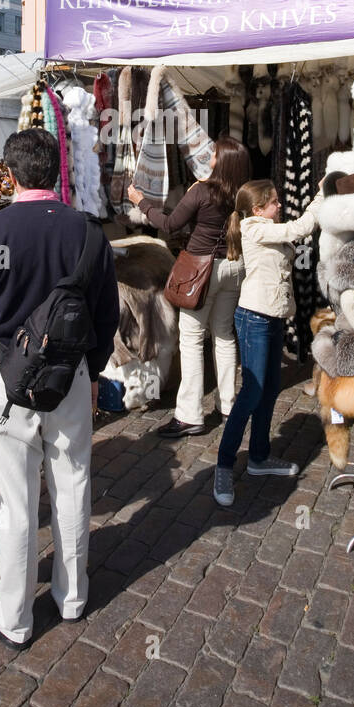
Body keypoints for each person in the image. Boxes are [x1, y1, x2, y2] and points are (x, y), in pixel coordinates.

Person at [0, 128, 120, 651]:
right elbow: (106, 315)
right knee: (72, 485)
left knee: (16, 502)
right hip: (70, 376)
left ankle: (15, 614)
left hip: (6, 379)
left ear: (12, 173)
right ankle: (72, 598)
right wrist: (92, 369)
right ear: (58, 169)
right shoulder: (89, 233)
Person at [127, 136, 252, 438]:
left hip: (202, 270)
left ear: (221, 162)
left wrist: (139, 201)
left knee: (193, 340)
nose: (209, 157)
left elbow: (169, 225)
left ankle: (190, 415)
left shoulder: (203, 191)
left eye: (214, 155)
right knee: (223, 335)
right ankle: (228, 404)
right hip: (234, 266)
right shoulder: (244, 193)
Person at [213, 179, 317, 507]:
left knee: (270, 388)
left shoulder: (267, 226)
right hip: (254, 318)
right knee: (252, 392)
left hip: (271, 317)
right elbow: (298, 229)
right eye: (274, 202)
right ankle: (224, 465)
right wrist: (322, 193)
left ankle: (258, 457)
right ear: (258, 209)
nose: (280, 206)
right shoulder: (254, 228)